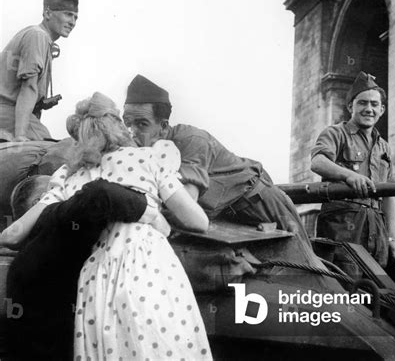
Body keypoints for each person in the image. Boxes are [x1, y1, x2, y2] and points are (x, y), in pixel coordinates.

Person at [20, 92, 211, 360]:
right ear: (118, 126)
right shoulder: (147, 158)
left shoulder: (72, 175)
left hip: (96, 276)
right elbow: (198, 221)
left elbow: (20, 231)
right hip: (147, 266)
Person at [123, 74, 316, 265]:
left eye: (142, 124)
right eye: (127, 123)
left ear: (163, 126)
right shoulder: (147, 153)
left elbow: (187, 206)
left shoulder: (190, 140)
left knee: (307, 269)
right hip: (228, 219)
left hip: (261, 205)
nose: (131, 132)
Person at [5, 175, 155, 361]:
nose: (73, 187)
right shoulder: (56, 221)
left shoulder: (29, 255)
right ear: (41, 200)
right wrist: (154, 213)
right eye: (61, 187)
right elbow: (101, 193)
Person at [311, 71, 395, 277]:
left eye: (374, 104)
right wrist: (349, 175)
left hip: (375, 226)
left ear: (382, 110)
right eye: (362, 103)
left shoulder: (384, 147)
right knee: (344, 284)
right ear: (350, 107)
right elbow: (318, 162)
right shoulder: (336, 133)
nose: (368, 109)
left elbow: (390, 194)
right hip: (343, 224)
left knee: (376, 288)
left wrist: (390, 238)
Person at [0, 0, 78, 142]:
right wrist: (21, 135)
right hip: (7, 110)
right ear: (47, 13)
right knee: (53, 152)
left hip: (10, 110)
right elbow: (29, 87)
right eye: (68, 14)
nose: (72, 22)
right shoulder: (38, 36)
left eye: (75, 17)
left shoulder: (38, 37)